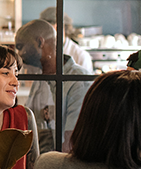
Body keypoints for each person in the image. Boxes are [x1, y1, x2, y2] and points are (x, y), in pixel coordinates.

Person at [15, 18, 93, 153]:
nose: (19, 55)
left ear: (40, 42)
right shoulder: (41, 78)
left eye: (20, 47)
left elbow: (72, 144)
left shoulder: (78, 81)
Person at [38, 7, 93, 72]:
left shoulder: (81, 56)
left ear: (57, 27)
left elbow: (86, 81)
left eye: (46, 29)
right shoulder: (40, 53)